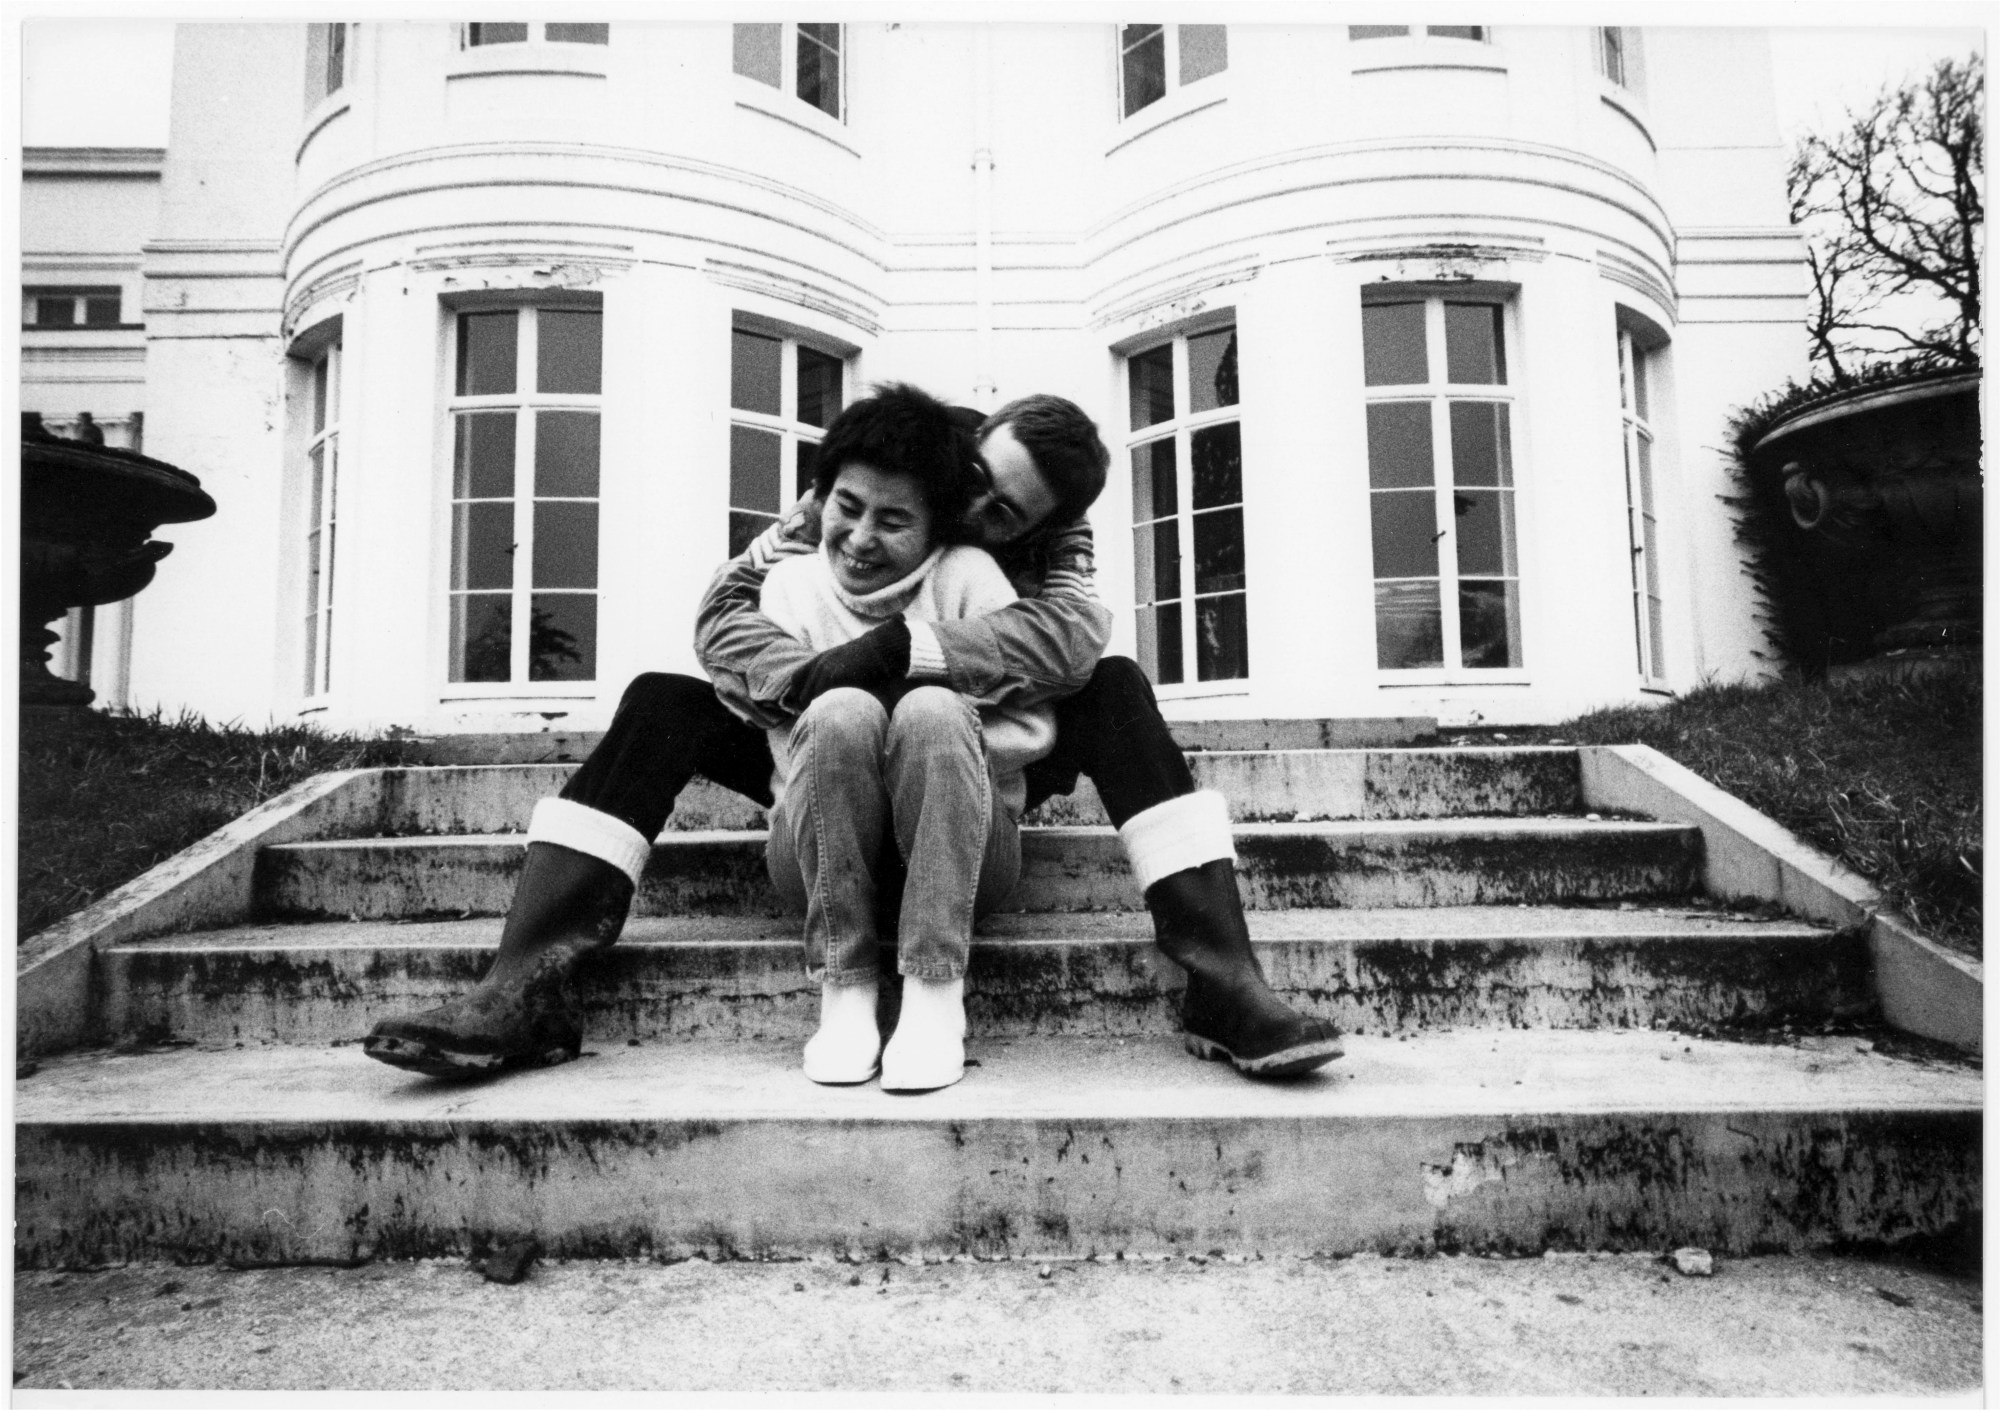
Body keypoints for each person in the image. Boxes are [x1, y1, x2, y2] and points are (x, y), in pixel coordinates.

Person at [363, 393, 1342, 1081]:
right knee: (665, 698)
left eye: (1001, 511)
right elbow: (723, 611)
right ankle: (522, 985)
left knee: (1117, 686)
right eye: (973, 478)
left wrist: (901, 647)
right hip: (818, 732)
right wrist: (815, 675)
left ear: (1042, 522)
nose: (971, 507)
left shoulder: (1056, 538)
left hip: (977, 741)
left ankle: (1222, 983)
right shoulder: (877, 487)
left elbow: (1072, 638)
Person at [758, 384, 1050, 1091]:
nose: (860, 539)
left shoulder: (970, 578)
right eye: (848, 507)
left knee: (932, 711)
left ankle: (933, 996)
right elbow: (784, 737)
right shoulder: (789, 587)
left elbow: (1027, 726)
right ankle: (845, 992)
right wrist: (865, 714)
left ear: (935, 530)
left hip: (965, 849)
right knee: (836, 711)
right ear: (819, 497)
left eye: (893, 521)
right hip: (821, 852)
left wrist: (919, 717)